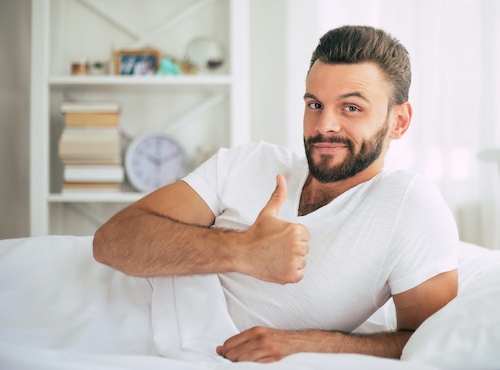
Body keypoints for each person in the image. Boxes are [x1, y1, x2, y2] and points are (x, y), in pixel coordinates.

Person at [93, 25, 459, 363]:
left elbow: (433, 340)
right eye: (315, 104)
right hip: (97, 305)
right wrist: (242, 251)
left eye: (351, 108)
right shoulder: (250, 161)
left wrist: (307, 343)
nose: (324, 125)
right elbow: (110, 241)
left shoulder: (409, 205)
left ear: (399, 121)